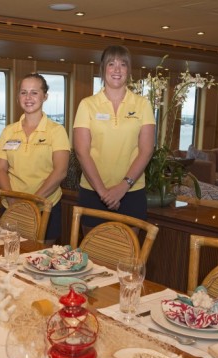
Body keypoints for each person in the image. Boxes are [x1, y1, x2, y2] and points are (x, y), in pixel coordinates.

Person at [73, 45, 156, 228]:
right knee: (92, 253)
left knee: (129, 254)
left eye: (123, 64)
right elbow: (81, 152)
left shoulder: (143, 105)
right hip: (93, 193)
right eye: (111, 64)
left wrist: (122, 187)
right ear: (103, 69)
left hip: (132, 193)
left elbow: (146, 150)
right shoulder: (87, 105)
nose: (117, 69)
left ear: (129, 70)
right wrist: (103, 192)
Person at [0, 73, 71, 242]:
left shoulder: (56, 131)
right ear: (18, 97)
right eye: (23, 92)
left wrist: (31, 203)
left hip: (45, 208)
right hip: (11, 206)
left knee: (41, 261)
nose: (28, 97)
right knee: (7, 255)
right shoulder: (9, 131)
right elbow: (0, 170)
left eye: (34, 92)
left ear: (45, 96)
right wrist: (13, 201)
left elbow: (60, 171)